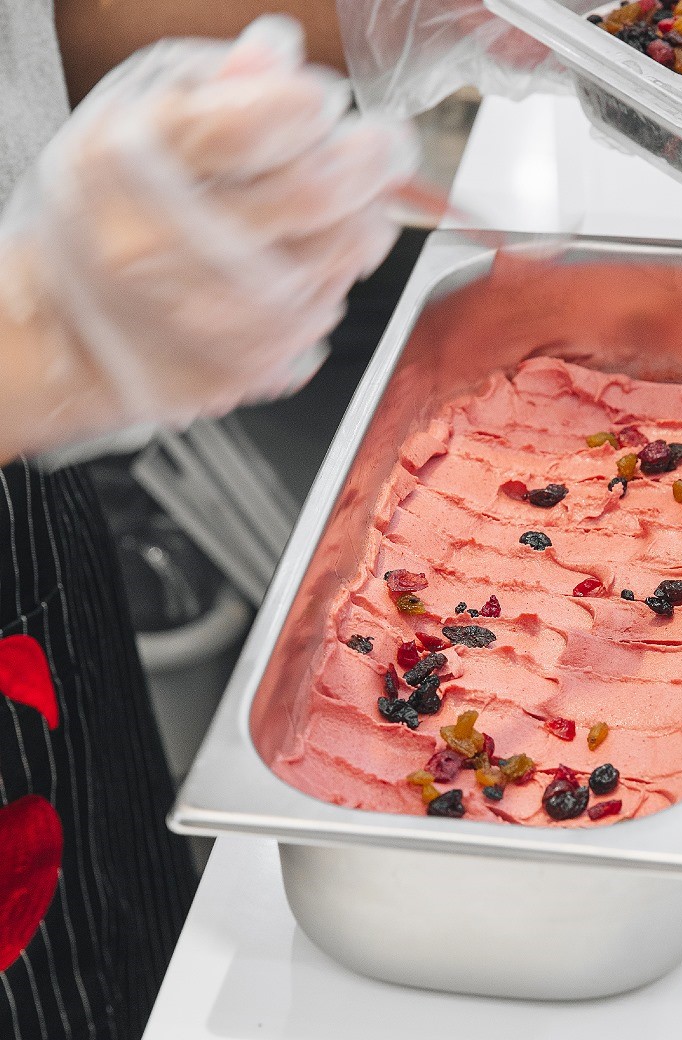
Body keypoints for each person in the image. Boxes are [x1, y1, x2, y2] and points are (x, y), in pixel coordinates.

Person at [0, 12, 416, 1038]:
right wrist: (28, 346)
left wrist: (393, 16)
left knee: (129, 962)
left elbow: (28, 45)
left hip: (28, 540)